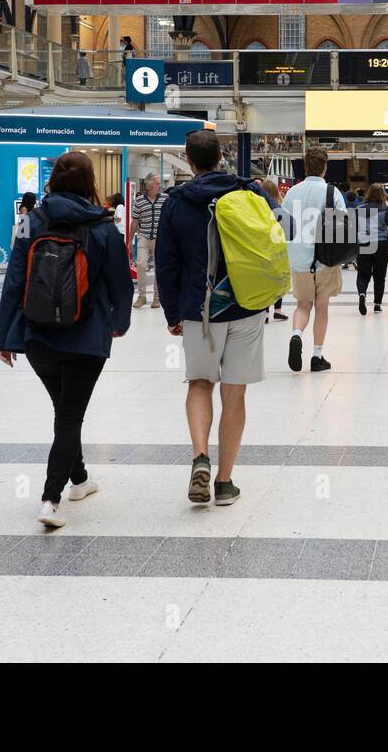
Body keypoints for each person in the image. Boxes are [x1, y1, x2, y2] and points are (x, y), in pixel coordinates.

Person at [0, 150, 132, 529]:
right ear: (90, 184)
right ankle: (50, 499)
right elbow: (121, 283)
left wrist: (5, 336)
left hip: (38, 336)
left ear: (53, 180)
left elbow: (14, 279)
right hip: (86, 338)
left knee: (65, 413)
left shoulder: (30, 222)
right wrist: (119, 322)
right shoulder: (105, 227)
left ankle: (82, 480)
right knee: (70, 417)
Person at [155, 129, 275, 507]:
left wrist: (173, 313)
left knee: (200, 384)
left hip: (198, 309)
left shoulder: (176, 202)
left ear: (188, 161)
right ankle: (224, 482)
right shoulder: (250, 193)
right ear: (221, 155)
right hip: (245, 304)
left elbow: (166, 262)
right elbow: (270, 243)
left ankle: (200, 456)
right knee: (234, 392)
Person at [279, 145, 347, 372]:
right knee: (322, 306)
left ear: (306, 167)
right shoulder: (332, 192)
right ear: (324, 168)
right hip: (325, 259)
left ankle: (296, 334)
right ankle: (317, 356)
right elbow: (342, 225)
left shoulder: (291, 192)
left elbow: (284, 225)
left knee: (302, 305)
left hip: (299, 259)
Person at [355, 183, 388, 315]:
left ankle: (362, 294)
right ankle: (377, 305)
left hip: (364, 243)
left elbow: (352, 228)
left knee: (362, 274)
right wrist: (387, 239)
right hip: (380, 244)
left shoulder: (359, 208)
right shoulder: (385, 209)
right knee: (380, 276)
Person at [130, 173, 167, 309]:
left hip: (160, 238)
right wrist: (129, 240)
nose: (160, 186)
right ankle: (142, 296)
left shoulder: (165, 199)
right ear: (149, 185)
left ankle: (157, 298)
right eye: (157, 183)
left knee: (159, 267)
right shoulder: (139, 200)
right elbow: (135, 221)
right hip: (143, 237)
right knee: (140, 264)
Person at [259, 178, 289, 322]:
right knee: (280, 279)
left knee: (264, 280)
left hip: (262, 248)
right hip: (279, 248)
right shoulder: (280, 207)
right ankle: (278, 309)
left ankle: (264, 312)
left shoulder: (257, 206)